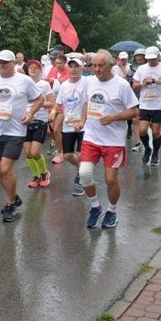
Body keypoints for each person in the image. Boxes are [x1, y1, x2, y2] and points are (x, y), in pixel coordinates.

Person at [0, 50, 44, 222]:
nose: (1, 65)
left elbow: (40, 99)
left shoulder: (24, 80)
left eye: (5, 63)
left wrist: (30, 114)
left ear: (14, 64)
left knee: (5, 169)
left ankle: (10, 204)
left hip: (15, 132)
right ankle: (14, 196)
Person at [78, 50, 139, 228]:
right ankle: (95, 207)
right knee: (84, 174)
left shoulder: (121, 85)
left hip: (113, 140)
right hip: (91, 137)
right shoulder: (89, 82)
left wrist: (113, 117)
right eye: (94, 65)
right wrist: (83, 121)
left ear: (110, 65)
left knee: (110, 180)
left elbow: (134, 111)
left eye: (100, 66)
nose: (96, 69)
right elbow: (86, 103)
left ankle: (111, 211)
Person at [50, 57, 87, 196]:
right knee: (67, 154)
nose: (73, 69)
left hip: (83, 124)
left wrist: (83, 120)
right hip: (68, 125)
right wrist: (53, 112)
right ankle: (81, 170)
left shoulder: (87, 82)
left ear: (82, 68)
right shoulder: (64, 85)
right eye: (70, 66)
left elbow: (87, 102)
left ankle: (82, 178)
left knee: (81, 153)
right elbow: (58, 102)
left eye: (76, 66)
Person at [132, 46, 161, 166]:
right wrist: (142, 83)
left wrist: (155, 81)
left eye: (153, 59)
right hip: (145, 104)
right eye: (149, 59)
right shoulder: (141, 69)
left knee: (156, 133)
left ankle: (155, 154)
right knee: (143, 130)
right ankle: (147, 149)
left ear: (158, 57)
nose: (151, 61)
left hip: (159, 105)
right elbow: (134, 86)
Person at [23, 60, 54, 188]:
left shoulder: (44, 84)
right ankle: (36, 176)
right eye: (31, 67)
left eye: (36, 67)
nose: (33, 69)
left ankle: (44, 173)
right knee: (27, 153)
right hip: (25, 121)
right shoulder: (24, 83)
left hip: (40, 120)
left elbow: (51, 102)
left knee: (35, 153)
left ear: (40, 70)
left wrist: (37, 106)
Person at [127, 48, 146, 150]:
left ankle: (147, 139)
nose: (139, 62)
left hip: (149, 97)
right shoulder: (132, 68)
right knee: (135, 120)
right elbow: (129, 81)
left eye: (141, 60)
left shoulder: (150, 67)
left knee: (148, 122)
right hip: (136, 96)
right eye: (137, 60)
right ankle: (139, 142)